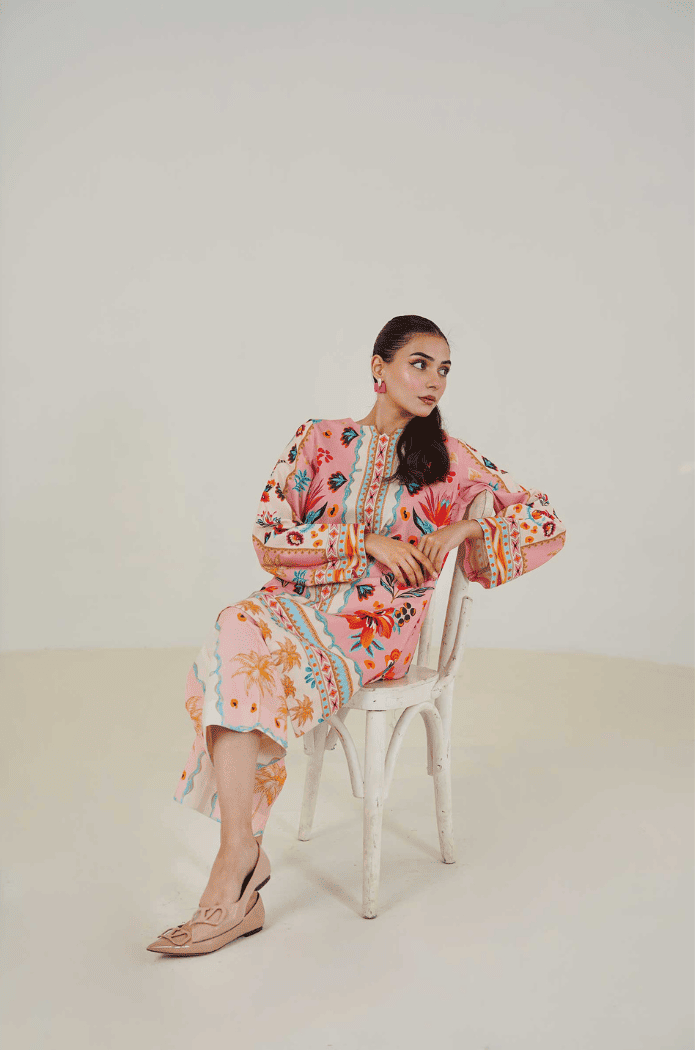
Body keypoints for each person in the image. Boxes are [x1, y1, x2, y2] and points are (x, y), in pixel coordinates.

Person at [147, 314, 567, 955]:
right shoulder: (318, 440)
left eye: (445, 369)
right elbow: (268, 536)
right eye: (419, 363)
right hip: (295, 606)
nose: (434, 381)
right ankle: (241, 854)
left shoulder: (453, 460)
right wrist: (361, 539)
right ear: (379, 367)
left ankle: (230, 878)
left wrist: (466, 530)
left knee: (244, 661)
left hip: (371, 629)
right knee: (234, 633)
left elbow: (546, 521)